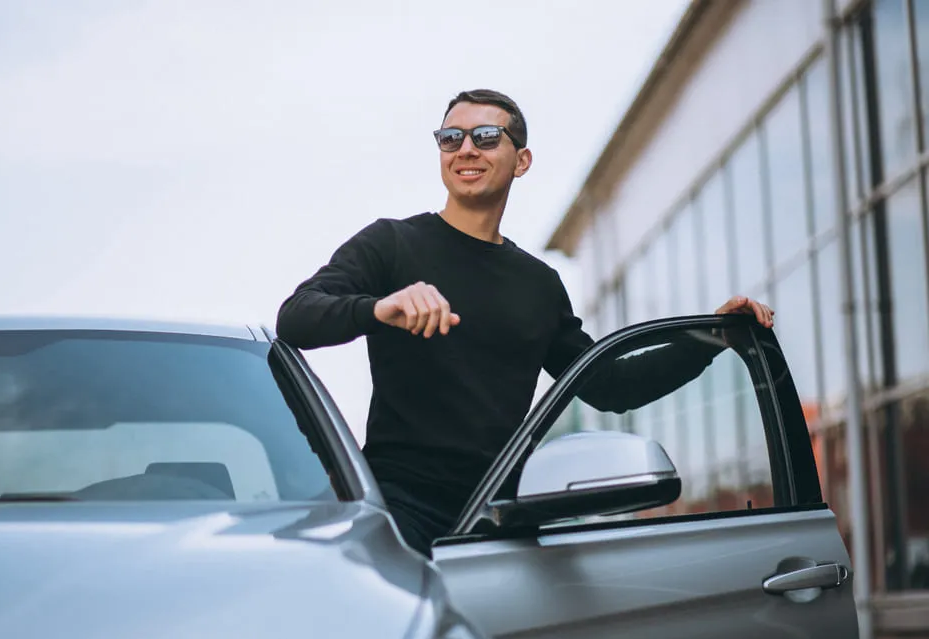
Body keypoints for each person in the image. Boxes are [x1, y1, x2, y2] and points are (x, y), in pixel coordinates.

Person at [276, 89, 775, 556]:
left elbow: (610, 385)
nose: (465, 149)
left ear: (522, 160)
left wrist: (710, 337)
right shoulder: (392, 244)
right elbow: (296, 317)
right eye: (451, 138)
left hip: (502, 517)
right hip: (399, 510)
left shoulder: (537, 283)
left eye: (486, 137)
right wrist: (378, 309)